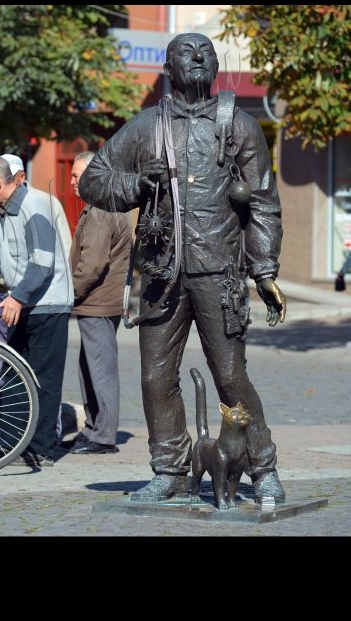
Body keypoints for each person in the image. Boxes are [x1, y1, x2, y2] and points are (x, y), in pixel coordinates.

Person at [79, 33, 288, 505]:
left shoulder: (240, 125)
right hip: (161, 274)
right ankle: (170, 469)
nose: (197, 57)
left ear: (215, 66)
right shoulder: (146, 126)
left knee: (231, 376)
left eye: (205, 52)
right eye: (185, 52)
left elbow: (262, 205)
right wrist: (135, 183)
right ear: (169, 68)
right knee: (156, 378)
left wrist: (265, 270)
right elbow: (93, 179)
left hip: (220, 272)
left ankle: (263, 467)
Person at [0, 155, 74, 467]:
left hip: (47, 306)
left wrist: (17, 297)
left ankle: (41, 449)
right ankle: (9, 443)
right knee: (13, 375)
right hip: (21, 303)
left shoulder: (34, 206)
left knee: (43, 380)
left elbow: (42, 262)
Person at [62, 151, 133, 454]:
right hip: (96, 302)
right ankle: (93, 428)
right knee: (89, 367)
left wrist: (69, 294)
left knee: (100, 369)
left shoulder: (103, 208)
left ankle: (102, 436)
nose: (72, 181)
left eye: (78, 175)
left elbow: (92, 264)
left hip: (98, 302)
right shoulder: (101, 205)